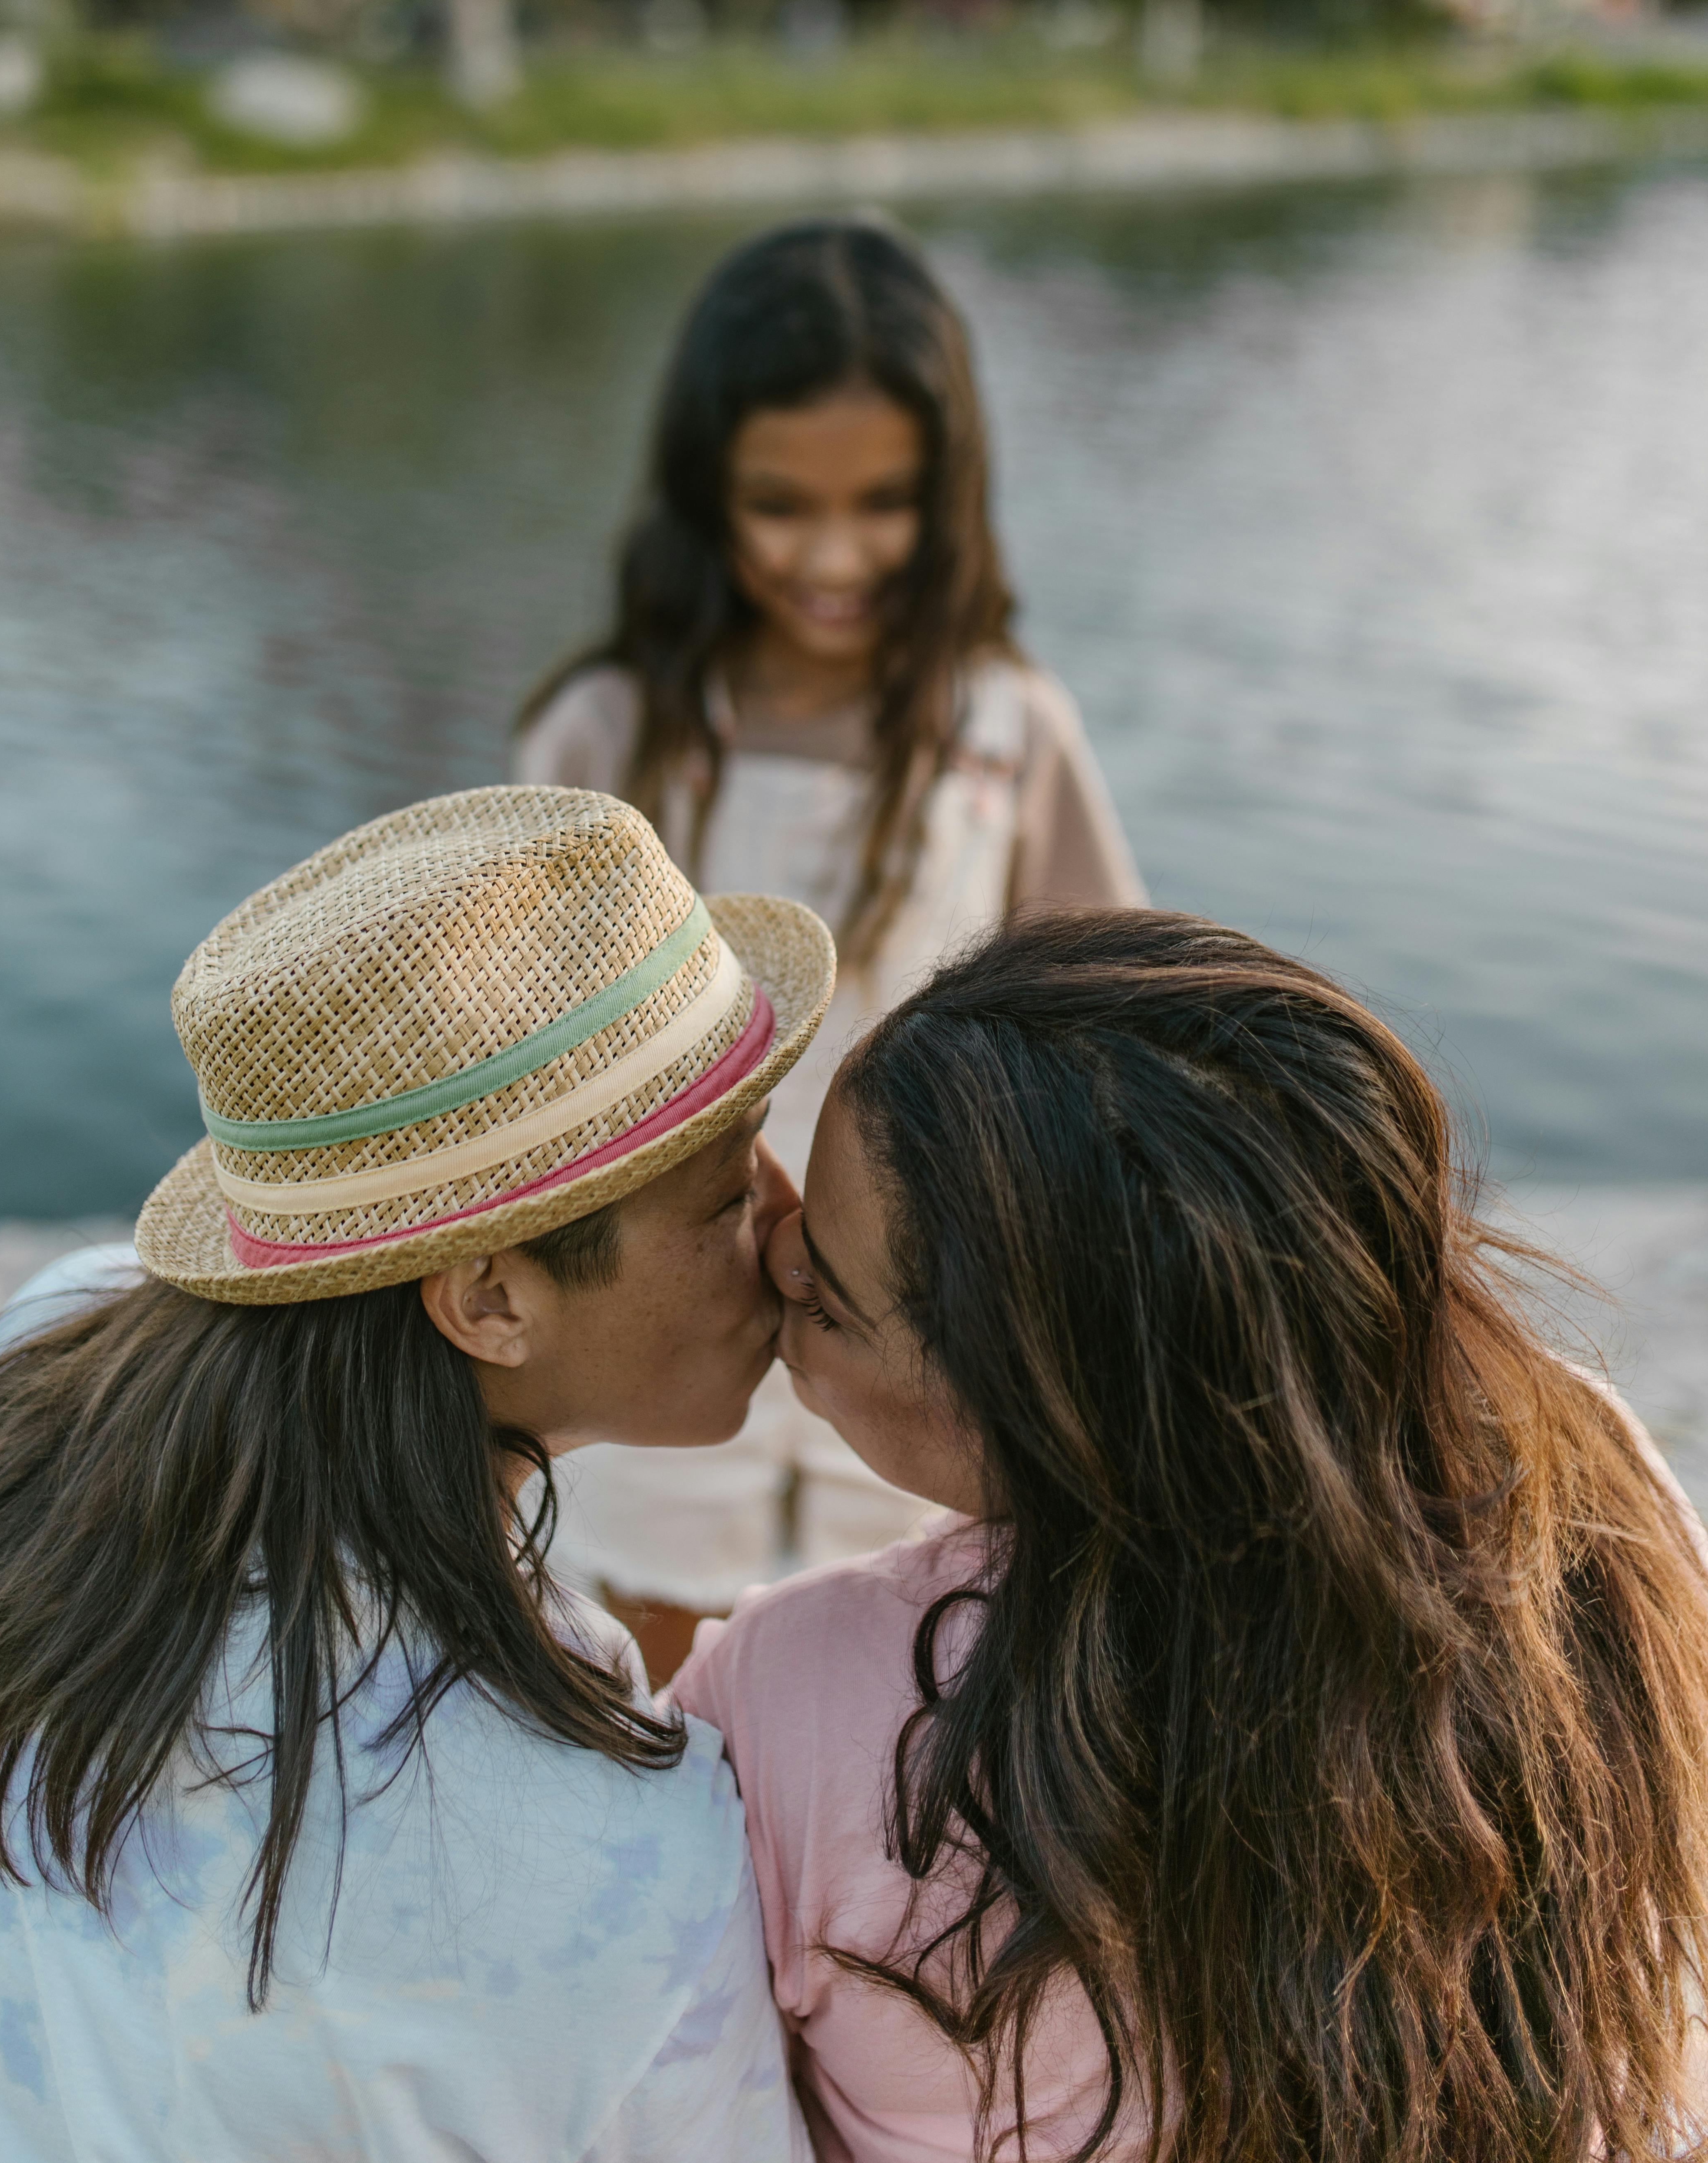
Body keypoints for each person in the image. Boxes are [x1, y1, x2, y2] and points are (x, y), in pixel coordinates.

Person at [0, 785, 834, 2163]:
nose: (793, 1229)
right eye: (728, 1195)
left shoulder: (37, 1359)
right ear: (490, 1301)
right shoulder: (611, 1856)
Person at [675, 908, 1708, 2163]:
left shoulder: (788, 1700)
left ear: (1033, 1407)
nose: (775, 1254)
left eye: (828, 1297)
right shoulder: (1586, 1489)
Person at [516, 217, 1144, 1673]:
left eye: (885, 503)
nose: (837, 554)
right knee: (658, 1709)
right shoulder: (613, 736)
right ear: (702, 494)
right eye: (780, 506)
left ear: (951, 492)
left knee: (906, 1711)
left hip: (929, 1344)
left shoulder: (1006, 728)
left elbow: (1113, 1038)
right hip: (659, 1345)